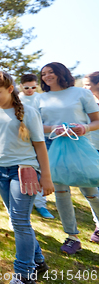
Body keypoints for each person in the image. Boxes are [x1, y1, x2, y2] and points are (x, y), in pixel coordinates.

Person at [0, 71, 54, 284]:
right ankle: (39, 261)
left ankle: (24, 275)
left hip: (24, 172)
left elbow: (40, 145)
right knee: (18, 221)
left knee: (19, 222)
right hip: (0, 172)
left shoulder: (28, 112)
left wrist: (46, 177)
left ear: (10, 89)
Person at [37, 62, 99, 254]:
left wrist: (84, 128)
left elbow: (96, 120)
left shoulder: (81, 93)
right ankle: (72, 237)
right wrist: (54, 129)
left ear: (61, 73)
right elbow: (37, 126)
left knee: (91, 192)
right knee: (61, 194)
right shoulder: (39, 98)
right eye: (44, 74)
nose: (47, 76)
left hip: (80, 148)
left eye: (51, 72)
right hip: (53, 149)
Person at [19, 74, 54, 219]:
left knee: (40, 170)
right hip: (21, 140)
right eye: (27, 88)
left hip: (40, 139)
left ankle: (41, 204)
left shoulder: (40, 98)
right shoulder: (16, 98)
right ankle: (24, 200)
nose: (30, 90)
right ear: (21, 86)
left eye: (33, 87)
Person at [82, 71, 99, 243]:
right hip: (90, 151)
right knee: (93, 192)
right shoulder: (86, 103)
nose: (84, 88)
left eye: (87, 84)